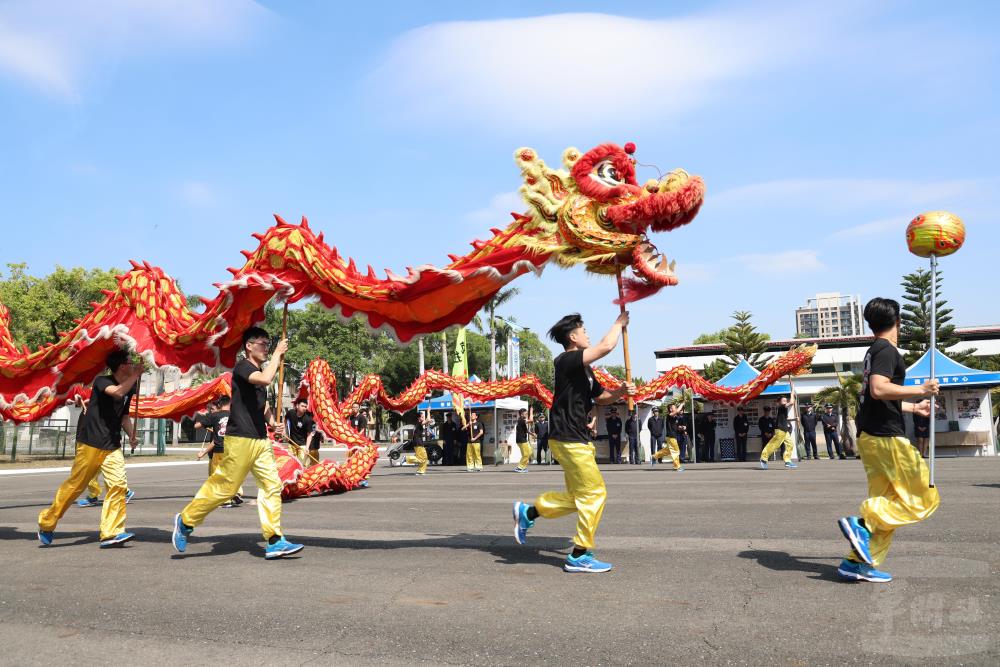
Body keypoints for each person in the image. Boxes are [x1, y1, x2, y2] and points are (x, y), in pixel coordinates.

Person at [512, 312, 634, 573]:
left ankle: (529, 513)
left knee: (579, 497)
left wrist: (621, 392)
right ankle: (579, 555)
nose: (587, 334)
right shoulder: (566, 360)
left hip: (575, 437)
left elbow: (601, 398)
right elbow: (606, 346)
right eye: (584, 330)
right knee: (595, 494)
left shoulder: (585, 369)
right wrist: (618, 323)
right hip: (568, 438)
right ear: (573, 337)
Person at [172, 327, 304, 559]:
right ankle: (186, 520)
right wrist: (277, 354)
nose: (267, 348)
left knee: (272, 486)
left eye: (268, 344)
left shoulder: (259, 371)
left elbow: (262, 404)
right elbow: (265, 379)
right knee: (226, 489)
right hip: (240, 438)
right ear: (249, 346)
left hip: (260, 440)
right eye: (263, 344)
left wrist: (273, 422)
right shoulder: (243, 367)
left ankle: (274, 540)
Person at [836, 297, 939, 583]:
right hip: (886, 439)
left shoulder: (873, 351)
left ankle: (856, 563)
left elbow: (876, 398)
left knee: (888, 503)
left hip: (872, 436)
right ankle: (862, 523)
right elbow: (879, 389)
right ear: (898, 322)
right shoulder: (886, 350)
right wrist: (921, 389)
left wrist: (914, 407)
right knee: (923, 499)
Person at [38, 349, 141, 548]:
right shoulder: (103, 381)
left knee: (118, 485)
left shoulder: (130, 387)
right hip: (91, 443)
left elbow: (124, 416)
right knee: (74, 487)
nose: (134, 365)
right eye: (131, 362)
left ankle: (111, 533)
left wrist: (131, 435)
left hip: (112, 445)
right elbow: (117, 392)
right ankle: (47, 522)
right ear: (122, 366)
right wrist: (136, 375)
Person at [73, 394, 136, 508]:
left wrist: (131, 436)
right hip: (88, 432)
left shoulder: (112, 391)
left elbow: (124, 416)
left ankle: (121, 491)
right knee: (90, 468)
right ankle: (99, 494)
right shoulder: (90, 388)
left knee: (97, 467)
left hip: (101, 436)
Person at [194, 397, 244, 507]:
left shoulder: (214, 416)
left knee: (217, 475)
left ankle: (225, 500)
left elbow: (196, 426)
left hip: (219, 450)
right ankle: (237, 492)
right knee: (232, 473)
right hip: (233, 450)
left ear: (220, 405)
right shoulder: (237, 415)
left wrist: (203, 416)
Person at [759, 396, 798, 469]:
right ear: (779, 402)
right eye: (783, 400)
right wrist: (792, 394)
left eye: (786, 400)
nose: (785, 402)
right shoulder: (781, 407)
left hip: (785, 430)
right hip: (780, 430)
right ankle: (763, 458)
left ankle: (787, 461)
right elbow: (792, 402)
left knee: (790, 444)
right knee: (773, 445)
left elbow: (785, 419)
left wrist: (794, 419)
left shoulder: (784, 409)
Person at [651, 402, 684, 471]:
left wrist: (680, 428)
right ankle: (677, 466)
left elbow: (674, 426)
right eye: (674, 407)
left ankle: (654, 456)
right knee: (676, 451)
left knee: (668, 450)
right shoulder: (669, 415)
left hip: (671, 436)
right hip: (671, 436)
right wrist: (681, 404)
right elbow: (677, 411)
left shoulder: (675, 417)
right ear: (671, 409)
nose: (676, 408)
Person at [285, 397, 317, 465]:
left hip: (302, 445)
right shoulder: (291, 413)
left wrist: (307, 448)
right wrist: (285, 432)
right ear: (297, 406)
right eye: (302, 406)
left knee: (304, 464)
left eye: (305, 407)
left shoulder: (308, 419)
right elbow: (285, 420)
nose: (304, 408)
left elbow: (309, 435)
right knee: (291, 463)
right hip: (291, 443)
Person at [513, 407, 533, 472]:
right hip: (521, 440)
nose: (527, 415)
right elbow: (531, 420)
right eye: (526, 414)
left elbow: (525, 430)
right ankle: (520, 467)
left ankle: (522, 467)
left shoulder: (522, 421)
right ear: (521, 414)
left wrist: (532, 434)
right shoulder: (521, 420)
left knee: (529, 452)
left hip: (523, 439)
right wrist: (531, 412)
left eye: (527, 414)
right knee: (526, 454)